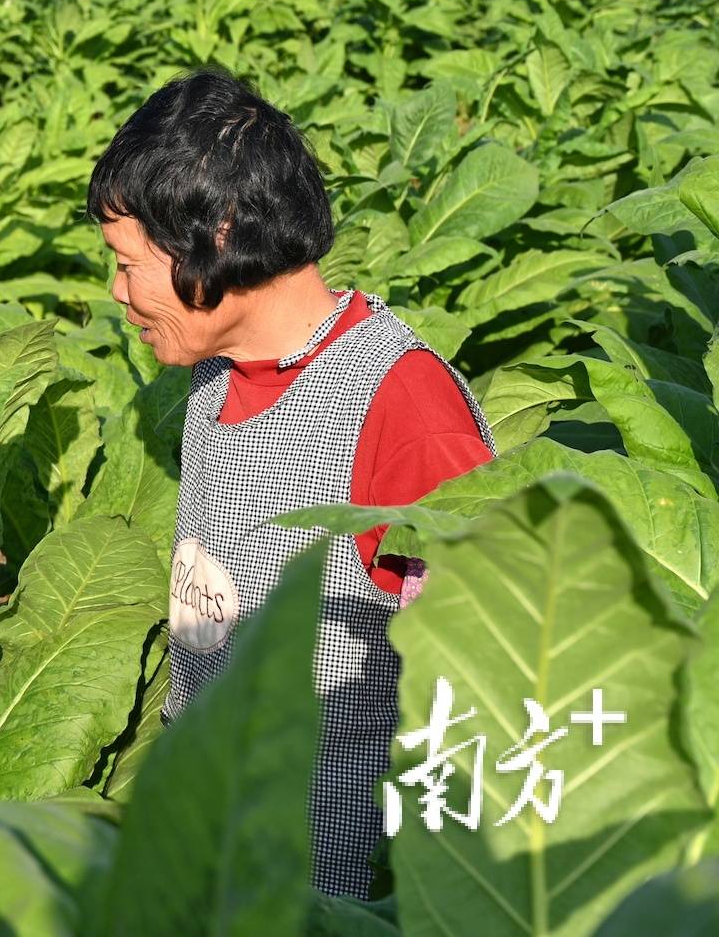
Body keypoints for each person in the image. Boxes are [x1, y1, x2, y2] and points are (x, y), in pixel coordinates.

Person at [87, 68, 492, 899]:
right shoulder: (213, 376)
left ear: (219, 231)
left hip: (334, 882)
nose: (117, 293)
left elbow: (481, 696)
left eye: (128, 264)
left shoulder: (403, 407)